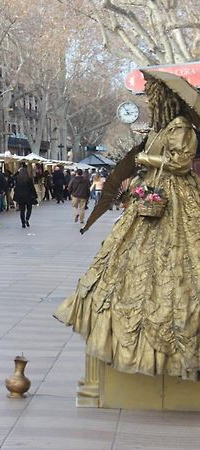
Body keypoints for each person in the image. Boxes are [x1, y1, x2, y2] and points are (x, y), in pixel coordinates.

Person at [55, 72, 200, 380]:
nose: (151, 102)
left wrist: (149, 158)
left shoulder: (182, 127)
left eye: (155, 97)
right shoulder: (163, 128)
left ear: (168, 99)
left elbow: (181, 163)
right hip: (152, 196)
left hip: (174, 197)